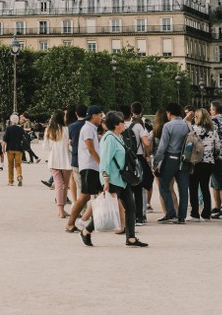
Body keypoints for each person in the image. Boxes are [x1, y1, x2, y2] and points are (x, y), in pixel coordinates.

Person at [81, 111, 148, 248]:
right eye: (122, 122)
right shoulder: (109, 139)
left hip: (122, 179)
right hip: (112, 179)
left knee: (130, 207)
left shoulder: (118, 136)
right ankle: (86, 230)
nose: (125, 124)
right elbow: (104, 161)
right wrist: (105, 180)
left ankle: (131, 238)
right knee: (108, 210)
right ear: (117, 125)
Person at [64, 106, 103, 234]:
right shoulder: (87, 129)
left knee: (97, 194)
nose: (101, 118)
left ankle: (92, 220)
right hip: (89, 166)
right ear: (93, 116)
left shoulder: (90, 128)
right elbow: (91, 149)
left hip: (91, 166)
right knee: (84, 196)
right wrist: (101, 164)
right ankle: (70, 223)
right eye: (100, 115)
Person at [152, 103, 190, 224]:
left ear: (169, 113)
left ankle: (171, 212)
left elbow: (163, 146)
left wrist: (156, 162)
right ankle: (182, 216)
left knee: (163, 186)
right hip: (184, 160)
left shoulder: (168, 126)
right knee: (183, 189)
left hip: (170, 159)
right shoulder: (187, 125)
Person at [189, 109, 219, 221]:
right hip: (208, 162)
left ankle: (194, 213)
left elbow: (188, 146)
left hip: (195, 162)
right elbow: (218, 148)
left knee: (193, 188)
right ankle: (206, 213)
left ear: (197, 118)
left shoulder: (192, 130)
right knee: (205, 187)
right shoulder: (213, 131)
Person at [43, 110, 72, 219]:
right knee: (65, 185)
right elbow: (70, 147)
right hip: (66, 161)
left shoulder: (48, 130)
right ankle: (62, 208)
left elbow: (46, 147)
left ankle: (60, 209)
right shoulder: (67, 130)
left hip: (53, 160)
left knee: (58, 185)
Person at [125, 102, 151, 224]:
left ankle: (127, 216)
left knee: (126, 190)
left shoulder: (118, 126)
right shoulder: (137, 126)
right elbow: (146, 143)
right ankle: (139, 216)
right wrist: (147, 154)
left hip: (124, 159)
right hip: (137, 157)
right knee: (138, 189)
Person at [3, 114, 25, 186]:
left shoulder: (8, 129)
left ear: (11, 120)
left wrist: (3, 148)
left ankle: (11, 181)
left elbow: (5, 140)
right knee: (18, 164)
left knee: (10, 165)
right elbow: (23, 139)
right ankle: (19, 176)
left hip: (10, 149)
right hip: (18, 149)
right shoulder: (20, 129)